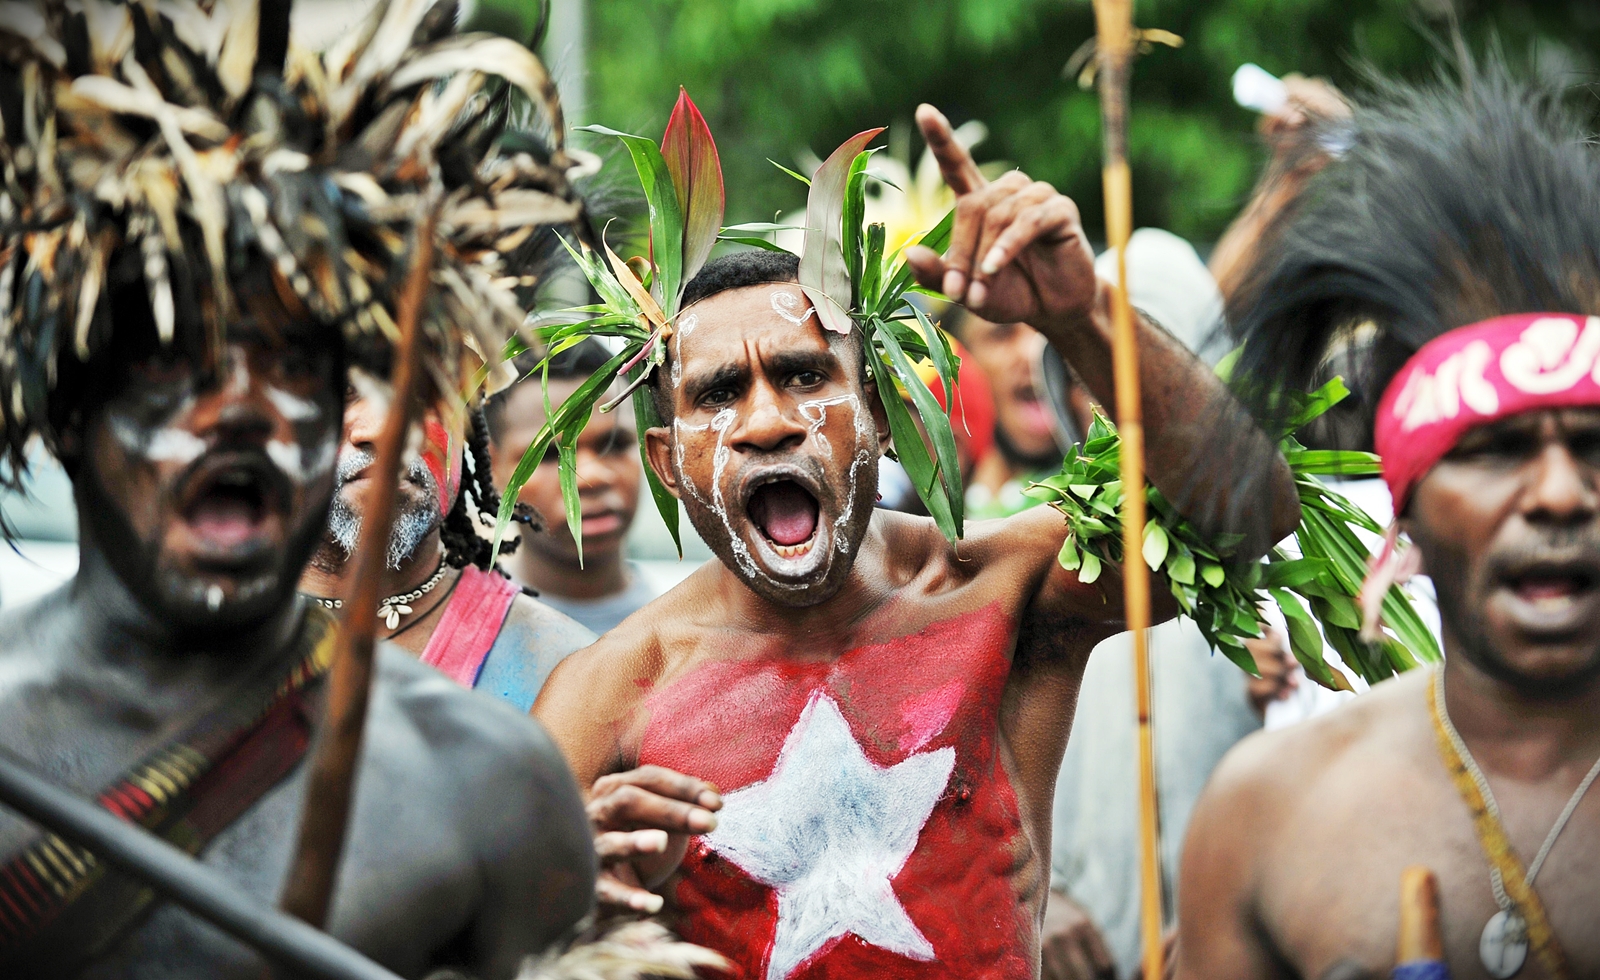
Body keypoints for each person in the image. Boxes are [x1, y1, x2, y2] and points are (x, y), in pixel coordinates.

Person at [533, 104, 1301, 979]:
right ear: (668, 464)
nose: (768, 422)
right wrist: (572, 912)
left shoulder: (999, 592)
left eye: (803, 374)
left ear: (884, 418)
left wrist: (1081, 314)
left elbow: (1251, 516)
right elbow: (498, 946)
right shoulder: (609, 695)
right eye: (718, 394)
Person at [0, 3, 595, 976]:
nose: (239, 407)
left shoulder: (490, 787)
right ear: (68, 409)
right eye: (168, 357)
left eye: (289, 360)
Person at [1176, 64, 1600, 980]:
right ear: (1402, 507)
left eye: (1596, 445)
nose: (1563, 492)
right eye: (1497, 450)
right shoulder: (1269, 815)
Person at [299, 382, 594, 709]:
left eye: (424, 389)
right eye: (342, 389)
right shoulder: (232, 643)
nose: (383, 428)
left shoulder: (563, 668)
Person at [487, 341, 660, 635]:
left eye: (614, 444)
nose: (589, 477)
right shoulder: (460, 649)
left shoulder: (704, 633)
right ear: (492, 468)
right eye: (549, 455)